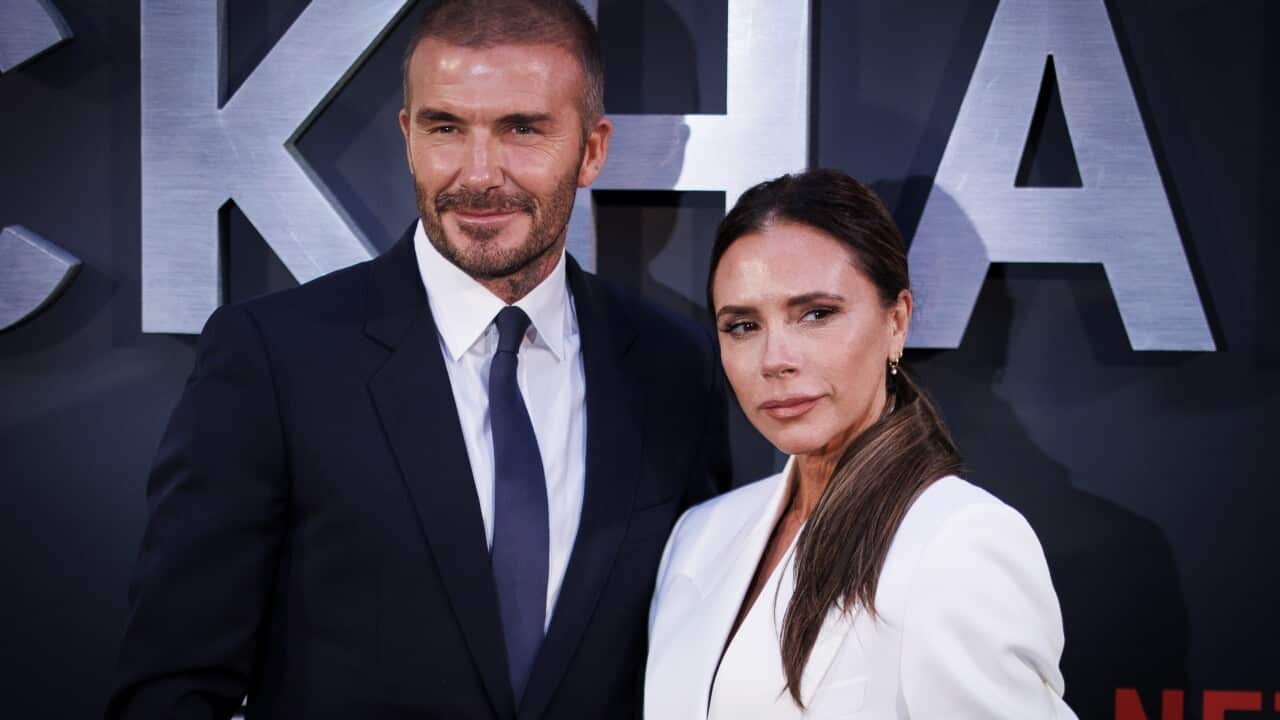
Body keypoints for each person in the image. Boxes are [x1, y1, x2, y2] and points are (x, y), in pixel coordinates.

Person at [107, 1, 730, 718]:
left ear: (592, 148)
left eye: (521, 129)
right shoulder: (275, 359)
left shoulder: (673, 367)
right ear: (408, 137)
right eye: (445, 128)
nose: (478, 174)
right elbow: (172, 684)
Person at [645, 169, 1076, 719]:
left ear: (896, 322)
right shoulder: (701, 534)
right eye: (743, 326)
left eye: (816, 314)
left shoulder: (958, 542)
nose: (776, 358)